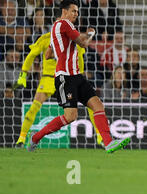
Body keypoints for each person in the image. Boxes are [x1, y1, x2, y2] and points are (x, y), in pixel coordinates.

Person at [27, 0, 130, 153]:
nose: (76, 13)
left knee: (97, 105)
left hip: (77, 76)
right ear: (64, 11)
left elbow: (48, 54)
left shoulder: (55, 28)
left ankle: (108, 142)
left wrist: (63, 50)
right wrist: (90, 34)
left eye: (77, 11)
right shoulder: (65, 24)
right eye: (73, 10)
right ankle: (36, 137)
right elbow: (83, 43)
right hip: (66, 77)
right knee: (70, 116)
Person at [13, 20, 103, 148]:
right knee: (34, 107)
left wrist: (81, 76)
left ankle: (100, 136)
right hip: (49, 79)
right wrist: (23, 74)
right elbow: (32, 55)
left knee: (90, 104)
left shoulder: (73, 39)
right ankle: (21, 139)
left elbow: (80, 58)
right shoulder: (46, 38)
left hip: (68, 79)